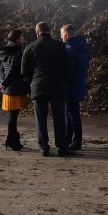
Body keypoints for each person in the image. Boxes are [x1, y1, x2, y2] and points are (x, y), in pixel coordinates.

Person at [21, 21, 73, 157]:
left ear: (37, 33)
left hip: (38, 87)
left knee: (40, 118)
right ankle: (62, 147)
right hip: (57, 86)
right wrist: (65, 81)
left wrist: (33, 80)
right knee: (59, 118)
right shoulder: (59, 46)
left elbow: (24, 71)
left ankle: (44, 147)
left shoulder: (30, 47)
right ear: (49, 31)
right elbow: (68, 67)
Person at [0, 29, 30, 151]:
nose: (23, 38)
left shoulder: (6, 51)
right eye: (22, 37)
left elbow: (1, 69)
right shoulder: (17, 52)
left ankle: (13, 140)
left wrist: (2, 82)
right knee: (13, 116)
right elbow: (13, 70)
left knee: (13, 115)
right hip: (14, 88)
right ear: (17, 39)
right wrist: (4, 83)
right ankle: (12, 140)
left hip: (7, 88)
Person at [61, 23, 89, 151]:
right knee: (72, 112)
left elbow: (67, 69)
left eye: (61, 36)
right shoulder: (81, 46)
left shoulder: (69, 49)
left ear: (66, 35)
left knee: (72, 114)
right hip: (79, 82)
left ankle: (75, 141)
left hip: (71, 84)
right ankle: (70, 138)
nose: (61, 38)